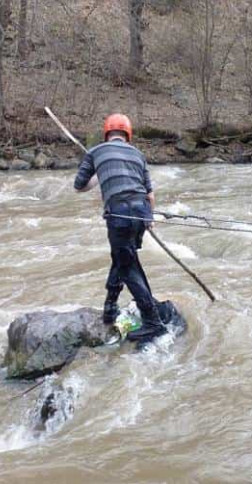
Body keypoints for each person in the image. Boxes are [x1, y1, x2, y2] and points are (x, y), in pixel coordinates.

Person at [73, 114, 166, 343]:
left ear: (107, 133)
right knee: (123, 258)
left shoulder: (95, 152)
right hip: (142, 211)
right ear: (128, 134)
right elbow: (150, 195)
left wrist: (98, 174)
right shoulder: (138, 154)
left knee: (127, 265)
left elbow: (79, 186)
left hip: (119, 213)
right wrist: (149, 218)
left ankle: (153, 321)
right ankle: (110, 307)